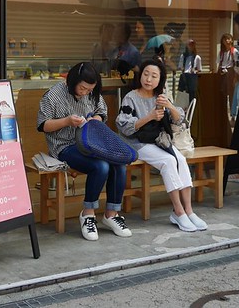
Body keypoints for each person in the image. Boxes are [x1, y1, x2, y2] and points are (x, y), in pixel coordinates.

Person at [37, 61, 132, 241]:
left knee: (119, 164)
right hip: (64, 146)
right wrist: (67, 121)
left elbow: (102, 112)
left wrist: (95, 120)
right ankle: (88, 214)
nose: (85, 92)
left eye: (90, 89)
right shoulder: (53, 95)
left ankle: (111, 214)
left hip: (92, 143)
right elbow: (43, 125)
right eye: (82, 88)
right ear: (72, 81)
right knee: (101, 167)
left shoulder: (92, 93)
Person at [116, 59, 207, 232]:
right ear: (140, 75)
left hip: (160, 141)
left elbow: (179, 120)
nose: (148, 79)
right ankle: (178, 212)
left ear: (160, 79)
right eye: (146, 74)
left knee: (180, 160)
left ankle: (189, 210)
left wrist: (170, 106)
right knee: (169, 161)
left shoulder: (162, 96)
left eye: (154, 76)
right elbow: (124, 126)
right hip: (137, 143)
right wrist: (149, 117)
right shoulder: (131, 97)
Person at [177, 39, 201, 105]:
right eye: (189, 45)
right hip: (185, 75)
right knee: (182, 93)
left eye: (192, 45)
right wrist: (182, 68)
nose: (191, 46)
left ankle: (192, 106)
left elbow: (199, 69)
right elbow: (180, 66)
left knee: (192, 94)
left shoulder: (197, 57)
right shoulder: (183, 56)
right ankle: (182, 107)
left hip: (192, 77)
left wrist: (194, 70)